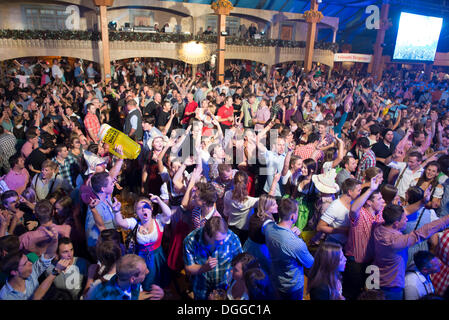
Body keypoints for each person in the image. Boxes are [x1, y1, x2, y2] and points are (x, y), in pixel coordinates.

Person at [373, 203, 449, 300]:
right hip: (391, 287)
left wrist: (422, 201)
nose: (407, 220)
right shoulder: (394, 242)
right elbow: (421, 233)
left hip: (379, 279)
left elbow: (407, 210)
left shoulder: (378, 227)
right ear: (396, 223)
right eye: (404, 218)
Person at [113, 195, 173, 290]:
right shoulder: (135, 223)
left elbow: (168, 213)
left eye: (147, 207)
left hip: (157, 257)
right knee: (145, 283)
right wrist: (116, 211)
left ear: (152, 209)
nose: (144, 210)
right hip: (141, 259)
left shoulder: (158, 220)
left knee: (159, 281)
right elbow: (120, 222)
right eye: (140, 208)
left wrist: (159, 200)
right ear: (136, 212)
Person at [263, 198, 314, 300]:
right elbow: (310, 263)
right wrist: (295, 238)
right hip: (291, 286)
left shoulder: (268, 227)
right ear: (292, 216)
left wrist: (290, 232)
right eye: (297, 212)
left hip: (275, 277)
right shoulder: (296, 243)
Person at [183, 216, 242, 300]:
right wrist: (204, 268)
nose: (222, 243)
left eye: (223, 239)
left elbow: (240, 262)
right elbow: (188, 268)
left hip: (223, 287)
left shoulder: (232, 238)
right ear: (206, 234)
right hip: (201, 287)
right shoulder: (191, 240)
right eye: (217, 241)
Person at [0, 225, 60, 300]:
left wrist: (54, 240)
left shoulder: (31, 274)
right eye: (25, 263)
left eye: (28, 260)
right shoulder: (5, 296)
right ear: (14, 272)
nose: (31, 263)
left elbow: (48, 255)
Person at [86, 254, 164, 300]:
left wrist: (155, 295)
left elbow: (135, 296)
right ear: (133, 279)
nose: (148, 272)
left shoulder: (127, 282)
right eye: (144, 272)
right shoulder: (107, 297)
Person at [317, 178, 362, 247]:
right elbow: (320, 227)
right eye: (359, 190)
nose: (360, 193)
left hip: (346, 244)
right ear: (349, 192)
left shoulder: (354, 202)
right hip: (334, 243)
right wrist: (343, 230)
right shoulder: (335, 206)